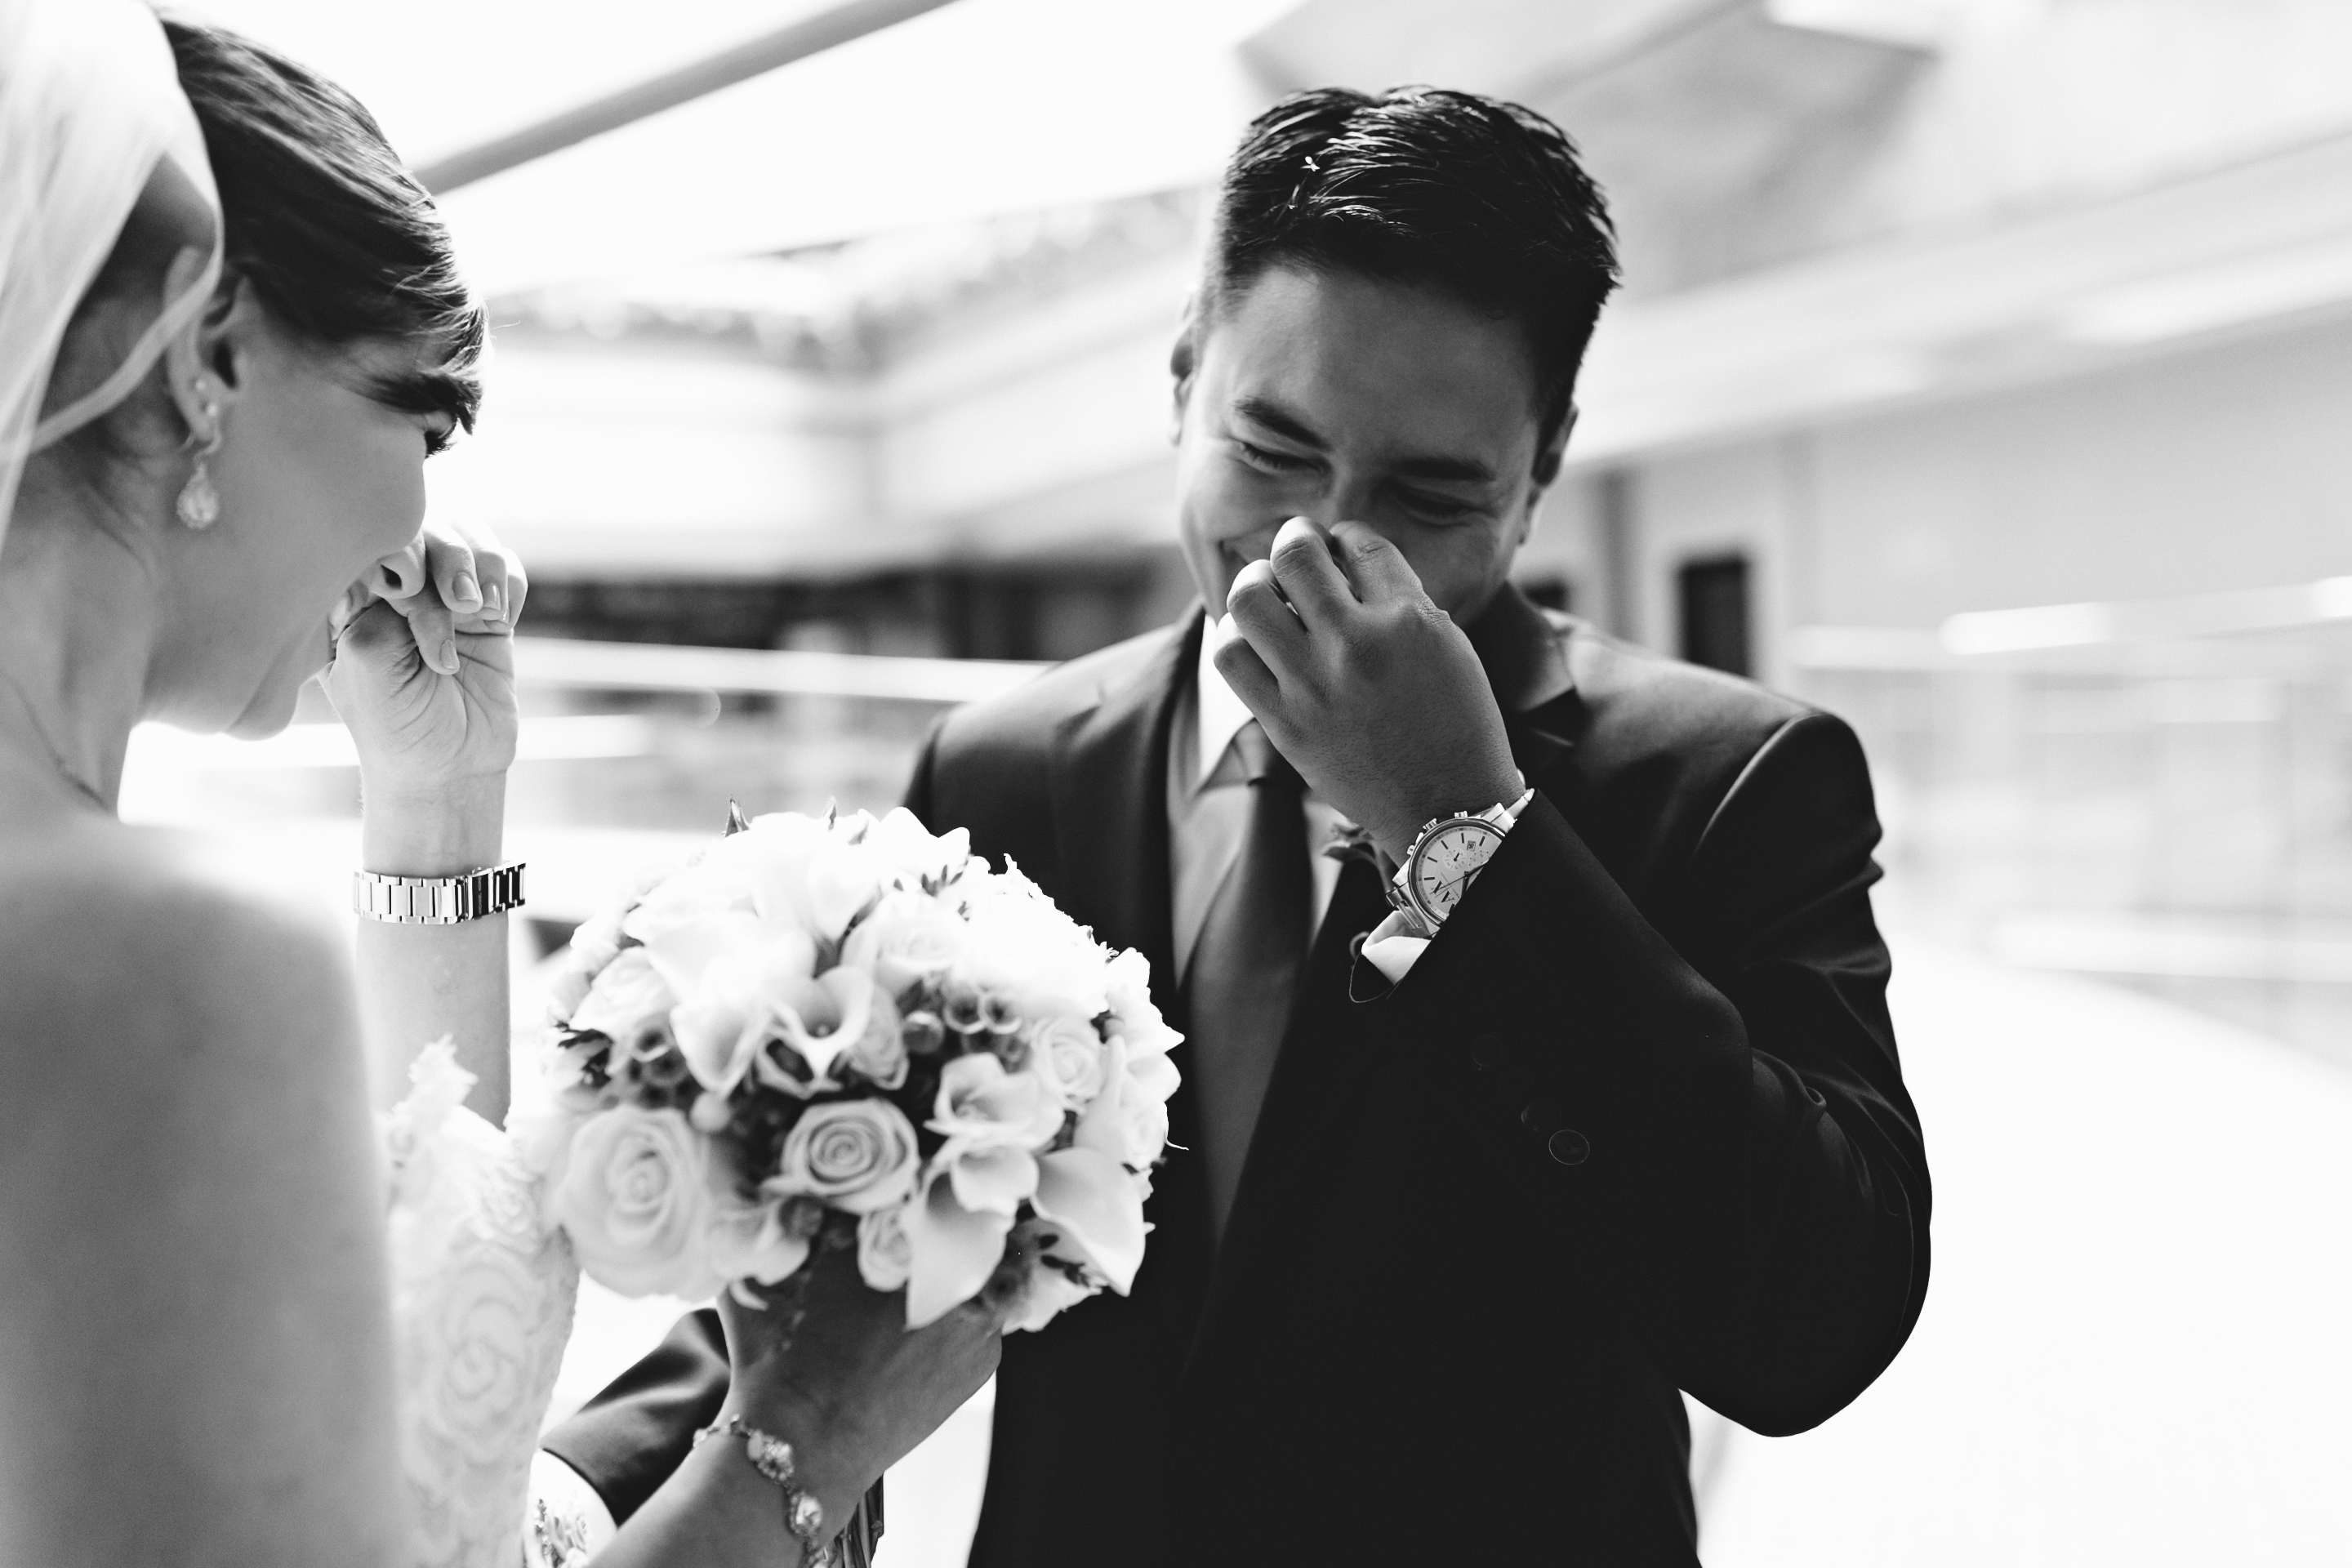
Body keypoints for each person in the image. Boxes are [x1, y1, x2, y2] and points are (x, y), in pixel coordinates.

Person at [548, 86, 1933, 1564]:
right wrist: (565, 1488)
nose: (1317, 541)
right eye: (1272, 449)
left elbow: (1811, 1326)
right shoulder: (1006, 765)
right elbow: (852, 1227)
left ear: (1540, 470)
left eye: (1429, 491)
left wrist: (1466, 831)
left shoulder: (1733, 777)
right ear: (1181, 381)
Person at [0, 7, 1002, 1566]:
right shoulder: (161, 964)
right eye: (425, 416)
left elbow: (400, 1369)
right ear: (210, 364)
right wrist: (799, 1453)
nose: (420, 530)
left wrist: (440, 806)